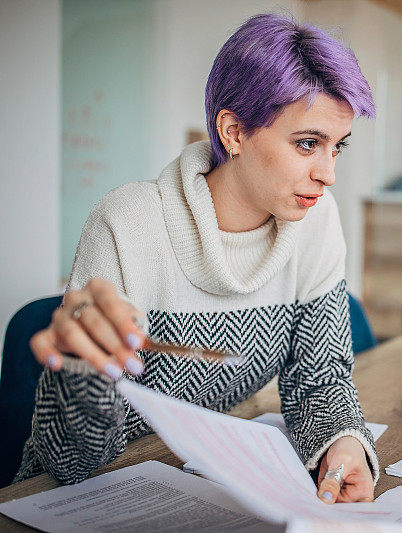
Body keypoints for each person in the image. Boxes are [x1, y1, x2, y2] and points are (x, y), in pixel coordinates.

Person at [19, 13, 378, 504]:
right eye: (308, 144)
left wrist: (344, 442)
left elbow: (321, 381)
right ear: (232, 131)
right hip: (86, 492)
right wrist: (83, 370)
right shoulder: (127, 222)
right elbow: (72, 460)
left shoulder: (315, 221)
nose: (328, 174)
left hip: (201, 472)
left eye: (338, 147)